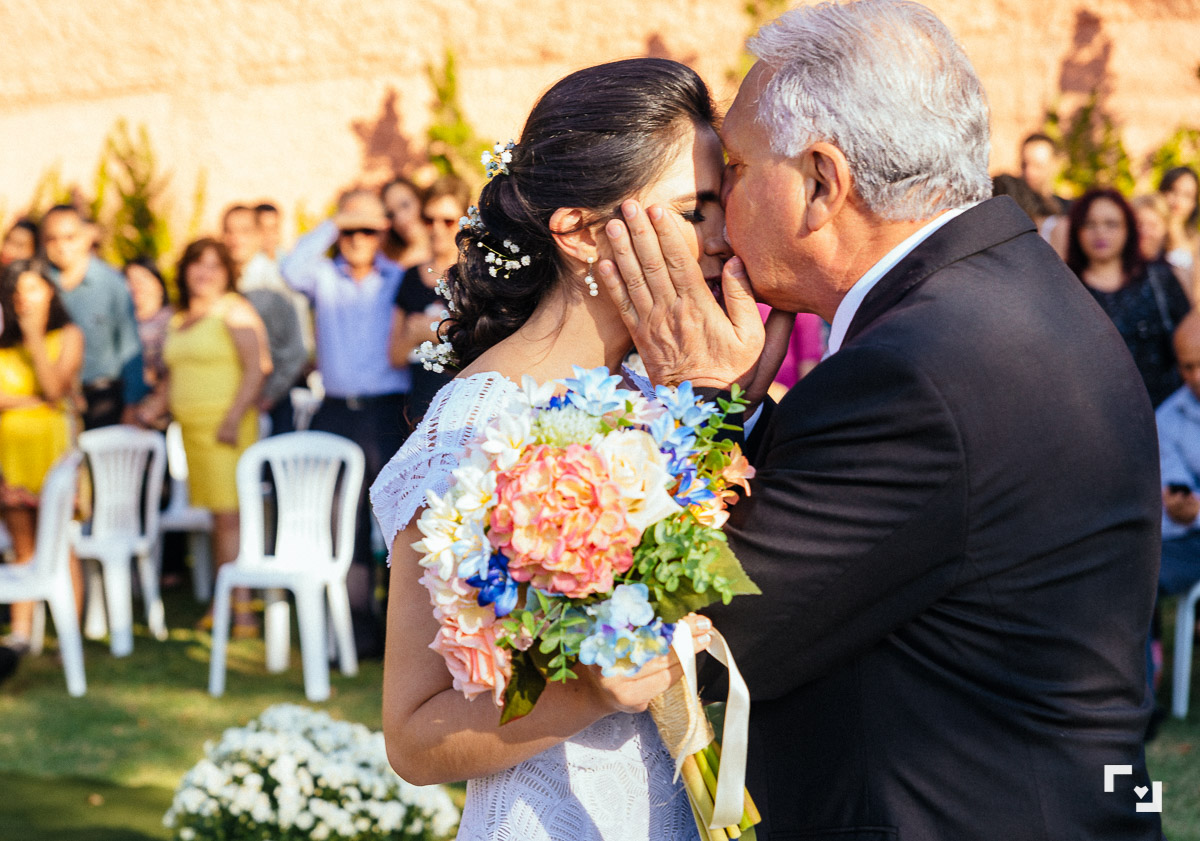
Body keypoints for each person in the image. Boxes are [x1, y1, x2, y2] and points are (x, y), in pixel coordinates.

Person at [599, 2, 1162, 837]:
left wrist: (694, 402)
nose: (719, 215)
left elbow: (712, 630)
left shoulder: (916, 368)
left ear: (823, 184)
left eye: (739, 174)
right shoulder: (1007, 290)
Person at [369, 58, 727, 841]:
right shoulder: (478, 423)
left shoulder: (674, 394)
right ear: (580, 234)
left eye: (720, 204)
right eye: (694, 211)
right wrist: (588, 693)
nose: (723, 238)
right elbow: (413, 733)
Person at [281, 189, 410, 659]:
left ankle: (404, 635)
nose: (358, 238)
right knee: (342, 522)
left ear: (382, 232)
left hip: (386, 410)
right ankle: (354, 633)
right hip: (336, 411)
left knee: (398, 521)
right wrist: (334, 222)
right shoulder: (322, 276)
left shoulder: (399, 278)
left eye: (368, 229)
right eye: (350, 230)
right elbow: (289, 268)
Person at [151, 239, 270, 634]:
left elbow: (257, 367)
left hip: (226, 430)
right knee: (217, 519)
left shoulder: (235, 310)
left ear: (227, 272)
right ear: (184, 270)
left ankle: (241, 610)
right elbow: (175, 377)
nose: (204, 273)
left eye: (214, 265)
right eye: (197, 264)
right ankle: (227, 601)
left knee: (230, 517)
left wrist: (233, 417)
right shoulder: (178, 317)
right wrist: (148, 411)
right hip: (192, 433)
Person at [0, 260, 84, 653]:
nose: (24, 299)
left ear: (49, 291)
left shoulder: (67, 335)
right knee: (23, 546)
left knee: (59, 542)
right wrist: (32, 401)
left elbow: (55, 389)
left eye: (32, 289)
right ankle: (21, 635)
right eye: (17, 291)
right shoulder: (3, 343)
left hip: (52, 459)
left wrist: (34, 338)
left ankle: (72, 633)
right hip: (10, 458)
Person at [1067, 188, 1192, 408]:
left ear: (1128, 229)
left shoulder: (1159, 280)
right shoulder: (1063, 287)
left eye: (1111, 224)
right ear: (1077, 230)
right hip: (1095, 419)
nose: (1100, 233)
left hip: (1164, 419)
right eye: (1090, 224)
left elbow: (1190, 338)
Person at [39, 205, 147, 429]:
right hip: (51, 403)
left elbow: (130, 346)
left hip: (103, 400)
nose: (62, 246)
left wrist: (132, 403)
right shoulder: (38, 285)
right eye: (52, 239)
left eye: (70, 237)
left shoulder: (112, 284)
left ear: (86, 237)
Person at [386, 176, 469, 428]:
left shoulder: (477, 278)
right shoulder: (410, 277)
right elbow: (395, 355)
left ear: (465, 221)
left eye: (448, 220)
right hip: (417, 411)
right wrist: (416, 332)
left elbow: (484, 347)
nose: (437, 228)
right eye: (428, 219)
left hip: (462, 409)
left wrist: (433, 329)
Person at [221, 205, 307, 435]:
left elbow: (297, 349)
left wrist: (269, 396)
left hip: (268, 404)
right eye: (229, 231)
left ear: (259, 236)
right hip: (229, 398)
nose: (235, 238)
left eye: (244, 231)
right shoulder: (221, 282)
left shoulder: (274, 283)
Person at [1157, 310, 1200, 605]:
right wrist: (1180, 510)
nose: (1196, 376)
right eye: (1188, 367)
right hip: (1190, 544)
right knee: (1128, 577)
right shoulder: (1167, 418)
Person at [124, 258, 174, 430]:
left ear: (159, 284)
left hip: (163, 412)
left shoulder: (174, 321)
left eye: (143, 278)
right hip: (127, 409)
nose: (136, 286)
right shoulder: (123, 325)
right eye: (130, 279)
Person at [1158, 165, 1199, 296]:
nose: (1178, 200)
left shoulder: (1196, 241)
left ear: (1194, 203)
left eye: (1187, 195)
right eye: (1173, 190)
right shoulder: (1148, 235)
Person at [379, 177, 431, 270]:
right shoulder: (394, 266)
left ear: (420, 200)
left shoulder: (454, 244)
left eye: (405, 205)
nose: (400, 218)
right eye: (391, 214)